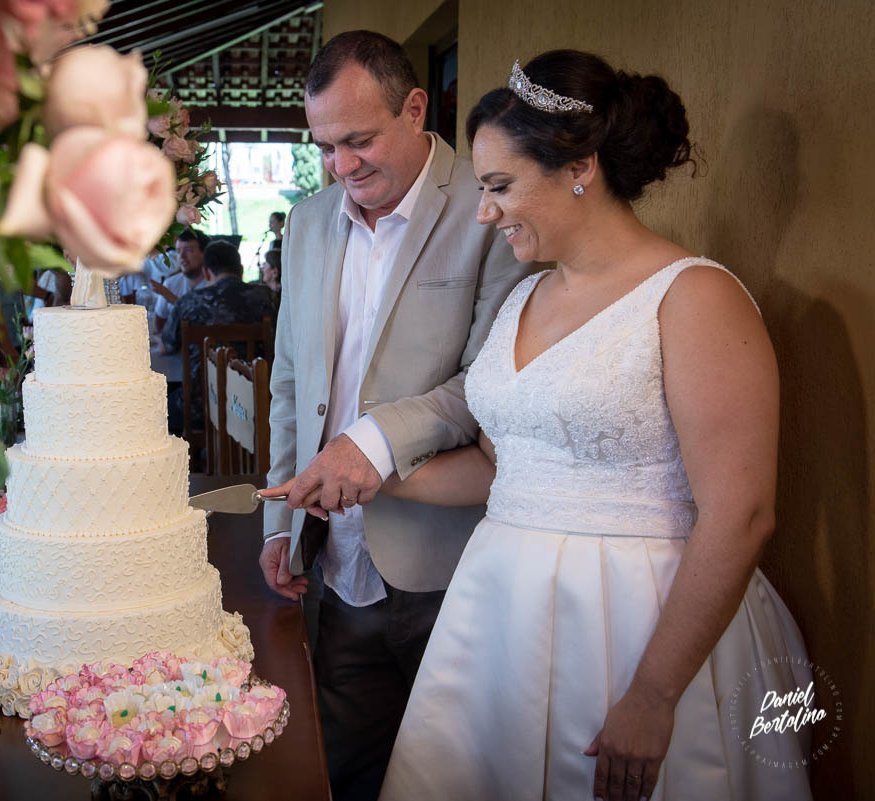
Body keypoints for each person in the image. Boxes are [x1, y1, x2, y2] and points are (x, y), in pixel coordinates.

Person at [374, 51, 812, 801]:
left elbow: (741, 513)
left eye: (501, 186)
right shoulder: (524, 299)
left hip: (637, 622)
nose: (486, 212)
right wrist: (378, 479)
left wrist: (653, 693)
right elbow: (504, 467)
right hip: (502, 618)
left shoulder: (695, 296)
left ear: (580, 166)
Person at [257, 30, 531, 801]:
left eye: (359, 140)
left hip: (446, 557)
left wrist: (372, 442)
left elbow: (488, 380)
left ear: (415, 108)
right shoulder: (308, 222)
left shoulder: (489, 204)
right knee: (345, 768)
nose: (343, 168)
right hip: (333, 559)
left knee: (458, 776)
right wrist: (281, 524)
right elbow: (287, 379)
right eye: (326, 148)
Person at [162, 240, 275, 433]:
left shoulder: (189, 303)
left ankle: (189, 460)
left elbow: (168, 344)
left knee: (160, 409)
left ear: (206, 272)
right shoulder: (266, 298)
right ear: (240, 270)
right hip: (255, 402)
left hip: (199, 406)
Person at [154, 228, 209, 334]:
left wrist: (174, 300)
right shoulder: (170, 283)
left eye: (188, 251)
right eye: (178, 251)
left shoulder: (214, 285)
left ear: (204, 254)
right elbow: (159, 326)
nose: (182, 257)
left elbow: (206, 323)